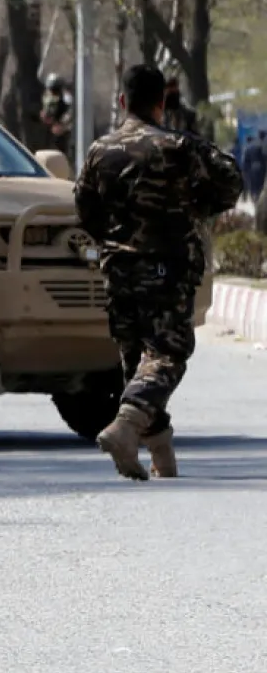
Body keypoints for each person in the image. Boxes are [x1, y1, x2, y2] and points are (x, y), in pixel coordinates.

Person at [74, 64, 242, 480]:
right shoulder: (179, 147)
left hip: (118, 270)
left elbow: (86, 212)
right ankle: (126, 426)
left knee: (136, 362)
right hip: (169, 266)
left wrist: (116, 241)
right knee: (166, 354)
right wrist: (198, 206)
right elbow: (231, 181)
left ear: (121, 102)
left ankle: (160, 459)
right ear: (161, 103)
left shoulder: (100, 151)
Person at [39, 73, 73, 156]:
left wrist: (62, 124)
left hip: (62, 133)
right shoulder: (47, 97)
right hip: (49, 132)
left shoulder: (66, 98)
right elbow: (45, 113)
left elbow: (69, 112)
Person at [243, 129, 267, 204]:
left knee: (254, 188)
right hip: (261, 170)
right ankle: (258, 201)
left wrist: (245, 171)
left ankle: (255, 201)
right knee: (260, 188)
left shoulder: (250, 147)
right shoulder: (264, 145)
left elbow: (246, 161)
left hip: (252, 170)